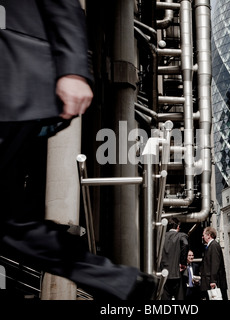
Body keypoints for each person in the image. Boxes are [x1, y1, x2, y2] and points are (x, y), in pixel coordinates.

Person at [0, 0, 155, 300]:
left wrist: (73, 67)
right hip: (18, 77)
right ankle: (117, 280)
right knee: (9, 224)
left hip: (14, 74)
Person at [160, 218, 189, 300]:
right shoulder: (181, 236)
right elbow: (185, 244)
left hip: (163, 274)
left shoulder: (160, 236)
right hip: (177, 273)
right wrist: (183, 263)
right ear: (178, 226)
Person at [200, 226, 228, 300]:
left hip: (214, 282)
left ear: (209, 235)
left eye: (204, 235)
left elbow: (215, 264)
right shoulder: (211, 246)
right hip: (212, 281)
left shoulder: (214, 245)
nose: (203, 237)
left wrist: (213, 280)